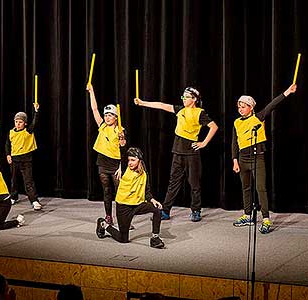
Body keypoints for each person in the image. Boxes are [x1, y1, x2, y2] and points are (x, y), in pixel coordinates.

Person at [134, 87, 218, 222]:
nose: (184, 99)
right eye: (183, 97)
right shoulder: (180, 110)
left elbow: (214, 126)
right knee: (173, 183)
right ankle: (165, 211)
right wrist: (143, 103)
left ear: (194, 99)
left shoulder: (199, 113)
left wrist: (204, 143)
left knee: (194, 184)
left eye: (186, 97)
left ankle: (196, 210)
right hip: (177, 152)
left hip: (191, 154)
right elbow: (161, 105)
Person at [232, 84, 297, 234]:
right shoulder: (236, 122)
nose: (240, 109)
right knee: (246, 188)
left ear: (251, 107)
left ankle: (266, 218)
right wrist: (235, 160)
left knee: (260, 188)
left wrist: (286, 92)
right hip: (243, 159)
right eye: (239, 106)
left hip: (257, 158)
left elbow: (272, 105)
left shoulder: (258, 117)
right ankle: (247, 215)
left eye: (243, 106)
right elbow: (234, 142)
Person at [96, 147, 165, 249]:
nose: (130, 163)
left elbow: (147, 191)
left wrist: (153, 200)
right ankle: (103, 224)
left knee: (157, 210)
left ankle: (155, 239)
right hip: (124, 207)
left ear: (139, 161)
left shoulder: (144, 173)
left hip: (138, 204)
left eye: (133, 160)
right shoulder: (123, 169)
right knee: (123, 239)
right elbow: (121, 154)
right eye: (129, 160)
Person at [87, 83, 126, 225]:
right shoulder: (102, 126)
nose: (107, 117)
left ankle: (123, 218)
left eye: (110, 115)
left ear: (116, 117)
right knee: (107, 191)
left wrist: (122, 167)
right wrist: (92, 91)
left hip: (116, 165)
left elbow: (123, 149)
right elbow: (94, 109)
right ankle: (108, 216)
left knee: (120, 193)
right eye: (106, 115)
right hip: (102, 163)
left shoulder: (121, 130)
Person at [5, 103, 42, 210]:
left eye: (20, 122)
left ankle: (34, 200)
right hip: (14, 160)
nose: (18, 124)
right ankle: (13, 197)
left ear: (25, 123)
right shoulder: (11, 132)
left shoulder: (28, 131)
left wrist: (36, 111)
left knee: (28, 181)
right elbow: (7, 144)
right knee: (14, 181)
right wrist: (8, 155)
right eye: (16, 122)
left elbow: (35, 123)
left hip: (26, 160)